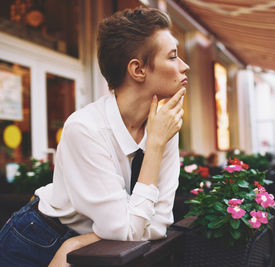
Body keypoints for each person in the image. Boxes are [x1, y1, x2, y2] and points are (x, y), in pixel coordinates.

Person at [0, 7, 189, 266]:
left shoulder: (163, 126)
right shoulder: (85, 128)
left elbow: (158, 224)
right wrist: (155, 145)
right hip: (37, 242)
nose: (184, 66)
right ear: (138, 69)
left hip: (90, 246)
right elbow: (128, 232)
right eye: (172, 57)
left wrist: (78, 242)